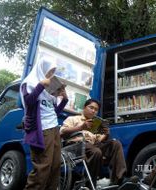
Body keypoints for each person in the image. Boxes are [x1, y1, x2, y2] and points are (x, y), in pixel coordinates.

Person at [60, 99, 138, 188]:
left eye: (96, 110)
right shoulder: (73, 119)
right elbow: (62, 132)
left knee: (115, 143)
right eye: (91, 107)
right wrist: (81, 127)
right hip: (77, 146)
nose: (93, 111)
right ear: (84, 108)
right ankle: (91, 184)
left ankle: (119, 179)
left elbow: (99, 141)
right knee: (96, 151)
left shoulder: (96, 124)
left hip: (92, 145)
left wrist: (106, 134)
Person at [20, 61, 68, 190]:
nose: (51, 75)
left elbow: (54, 112)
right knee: (43, 165)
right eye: (49, 71)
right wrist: (41, 85)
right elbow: (28, 102)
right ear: (41, 69)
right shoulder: (29, 83)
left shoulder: (49, 92)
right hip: (41, 129)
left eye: (53, 72)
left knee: (55, 165)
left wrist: (64, 99)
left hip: (54, 128)